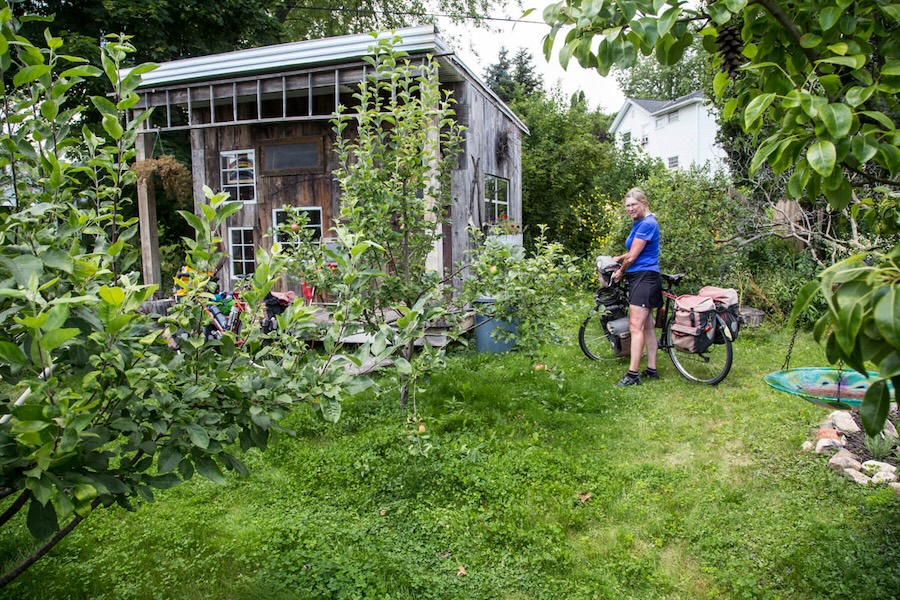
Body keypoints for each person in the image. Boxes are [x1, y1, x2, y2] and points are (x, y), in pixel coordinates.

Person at [611, 188, 662, 386]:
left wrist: (621, 271)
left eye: (633, 205)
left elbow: (633, 257)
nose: (630, 209)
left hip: (644, 278)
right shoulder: (640, 223)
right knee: (648, 326)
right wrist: (618, 257)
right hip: (646, 277)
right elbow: (633, 251)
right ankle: (651, 369)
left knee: (636, 327)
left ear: (643, 203)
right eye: (627, 206)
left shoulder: (647, 223)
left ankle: (632, 376)